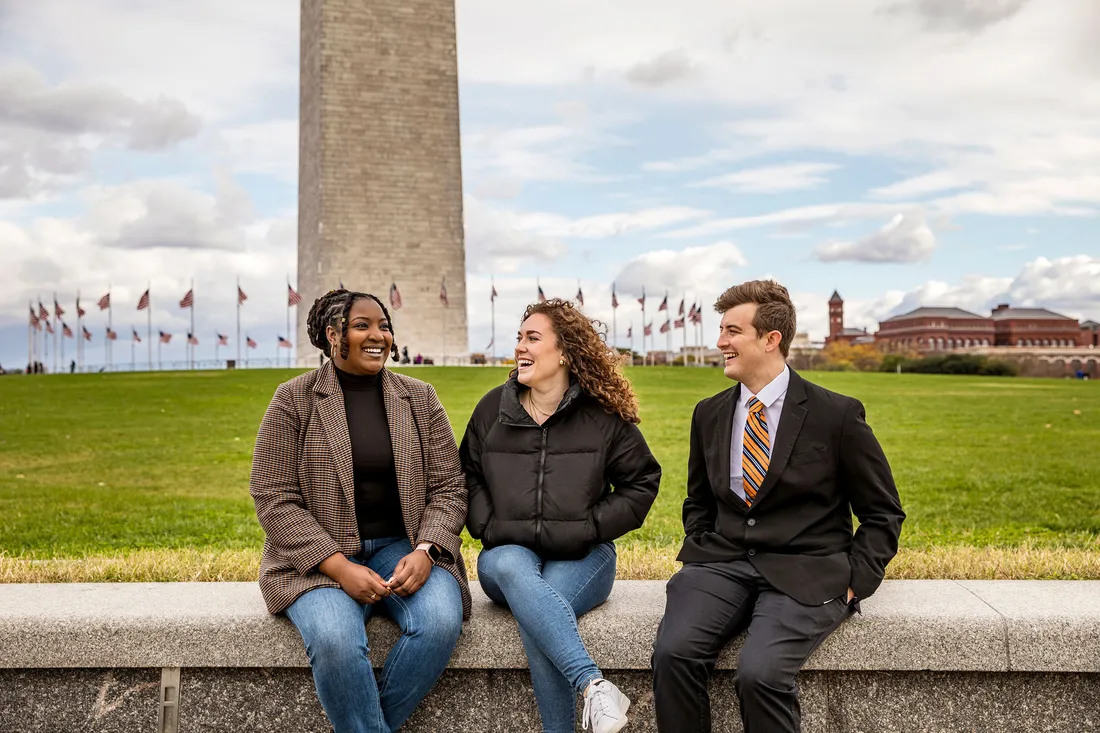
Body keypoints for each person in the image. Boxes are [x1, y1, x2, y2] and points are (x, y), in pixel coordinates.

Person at [651, 280, 905, 733]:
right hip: (722, 564)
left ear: (771, 340)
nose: (720, 342)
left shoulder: (837, 414)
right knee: (673, 655)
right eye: (721, 329)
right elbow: (698, 499)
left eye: (732, 331)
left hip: (807, 571)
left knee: (760, 674)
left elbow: (883, 512)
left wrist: (856, 582)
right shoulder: (708, 413)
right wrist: (701, 539)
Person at [249, 288, 469, 733]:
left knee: (440, 622)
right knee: (335, 640)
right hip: (316, 562)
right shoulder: (294, 399)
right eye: (362, 326)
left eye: (384, 326)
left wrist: (427, 550)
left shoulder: (419, 397)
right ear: (334, 336)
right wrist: (337, 567)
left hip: (402, 547)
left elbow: (450, 486)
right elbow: (273, 495)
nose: (378, 336)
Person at [460, 298, 662, 733]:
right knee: (517, 570)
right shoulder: (492, 409)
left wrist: (590, 527)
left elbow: (642, 482)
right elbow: (468, 475)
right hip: (505, 555)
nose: (520, 348)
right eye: (519, 338)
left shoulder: (603, 417)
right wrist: (489, 527)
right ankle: (593, 686)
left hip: (584, 556)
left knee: (540, 616)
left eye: (533, 338)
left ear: (565, 352)